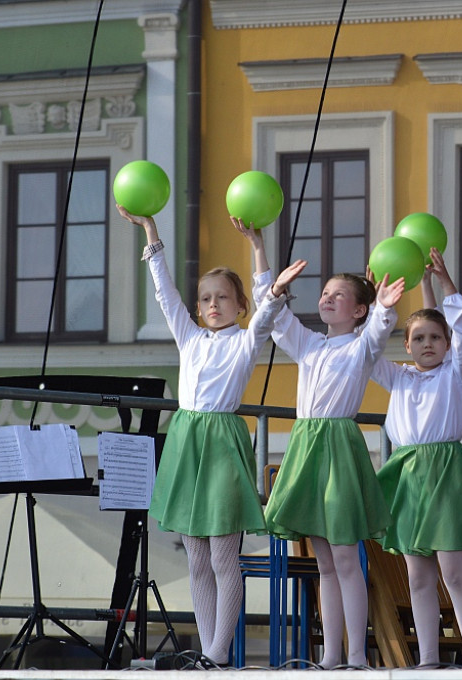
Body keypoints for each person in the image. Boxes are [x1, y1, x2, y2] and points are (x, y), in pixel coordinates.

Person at [117, 205, 291, 665]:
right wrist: (151, 231)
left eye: (223, 298)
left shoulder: (245, 341)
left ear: (240, 307)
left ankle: (216, 652)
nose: (213, 305)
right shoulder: (190, 338)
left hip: (221, 445)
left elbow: (269, 308)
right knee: (195, 558)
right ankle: (208, 649)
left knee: (221, 557)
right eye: (206, 299)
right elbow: (164, 293)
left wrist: (257, 248)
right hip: (187, 441)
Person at [239, 222, 405, 669]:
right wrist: (259, 250)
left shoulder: (361, 346)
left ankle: (355, 655)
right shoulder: (309, 344)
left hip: (337, 446)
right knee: (325, 564)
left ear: (357, 311)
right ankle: (331, 655)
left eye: (339, 294)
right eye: (325, 292)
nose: (327, 297)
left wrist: (384, 309)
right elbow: (271, 316)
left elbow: (377, 332)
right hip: (307, 446)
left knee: (347, 557)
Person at [371, 248, 462, 669]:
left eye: (436, 337)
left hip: (447, 472)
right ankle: (429, 659)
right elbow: (367, 351)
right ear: (407, 345)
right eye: (419, 338)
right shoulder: (397, 375)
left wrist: (443, 283)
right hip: (408, 474)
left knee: (454, 569)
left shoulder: (458, 371)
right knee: (417, 573)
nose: (427, 344)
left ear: (447, 344)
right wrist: (380, 305)